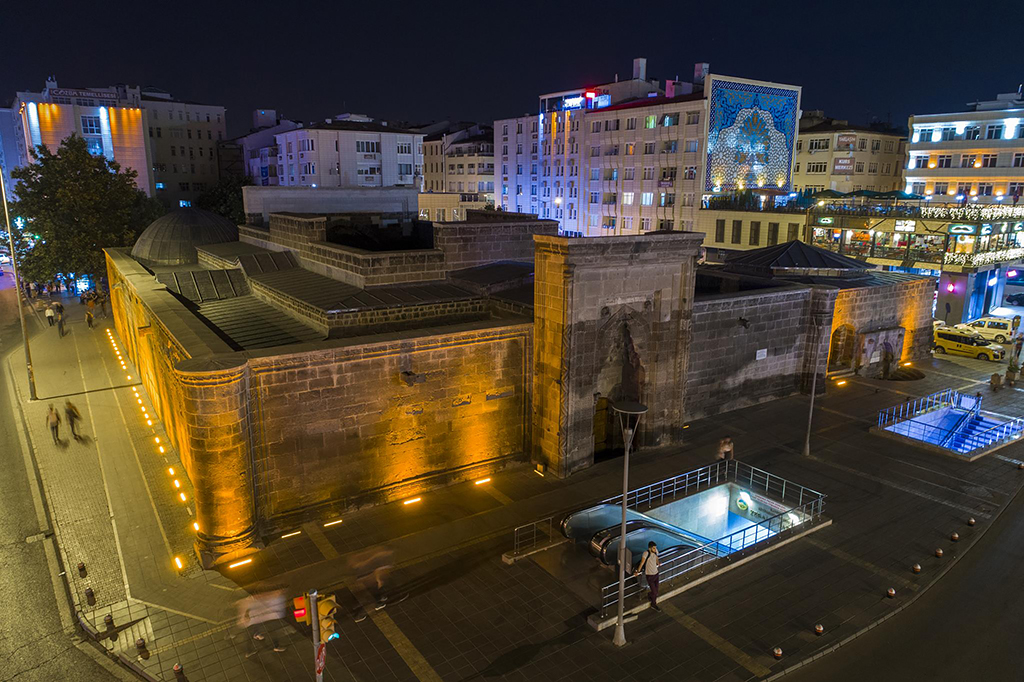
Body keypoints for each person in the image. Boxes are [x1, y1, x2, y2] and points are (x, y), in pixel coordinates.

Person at [237, 587, 287, 657]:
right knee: (271, 631)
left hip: (258, 620)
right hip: (255, 620)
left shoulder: (254, 599)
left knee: (260, 631)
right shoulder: (251, 601)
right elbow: (248, 611)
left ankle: (257, 635)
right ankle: (276, 646)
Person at [635, 541, 661, 611]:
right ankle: (653, 604)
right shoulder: (646, 553)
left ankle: (650, 595)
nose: (655, 549)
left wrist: (658, 563)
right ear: (649, 548)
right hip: (649, 575)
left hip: (656, 573)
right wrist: (637, 571)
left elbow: (656, 557)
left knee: (656, 591)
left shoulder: (655, 551)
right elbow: (642, 563)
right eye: (653, 548)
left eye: (655, 548)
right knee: (655, 592)